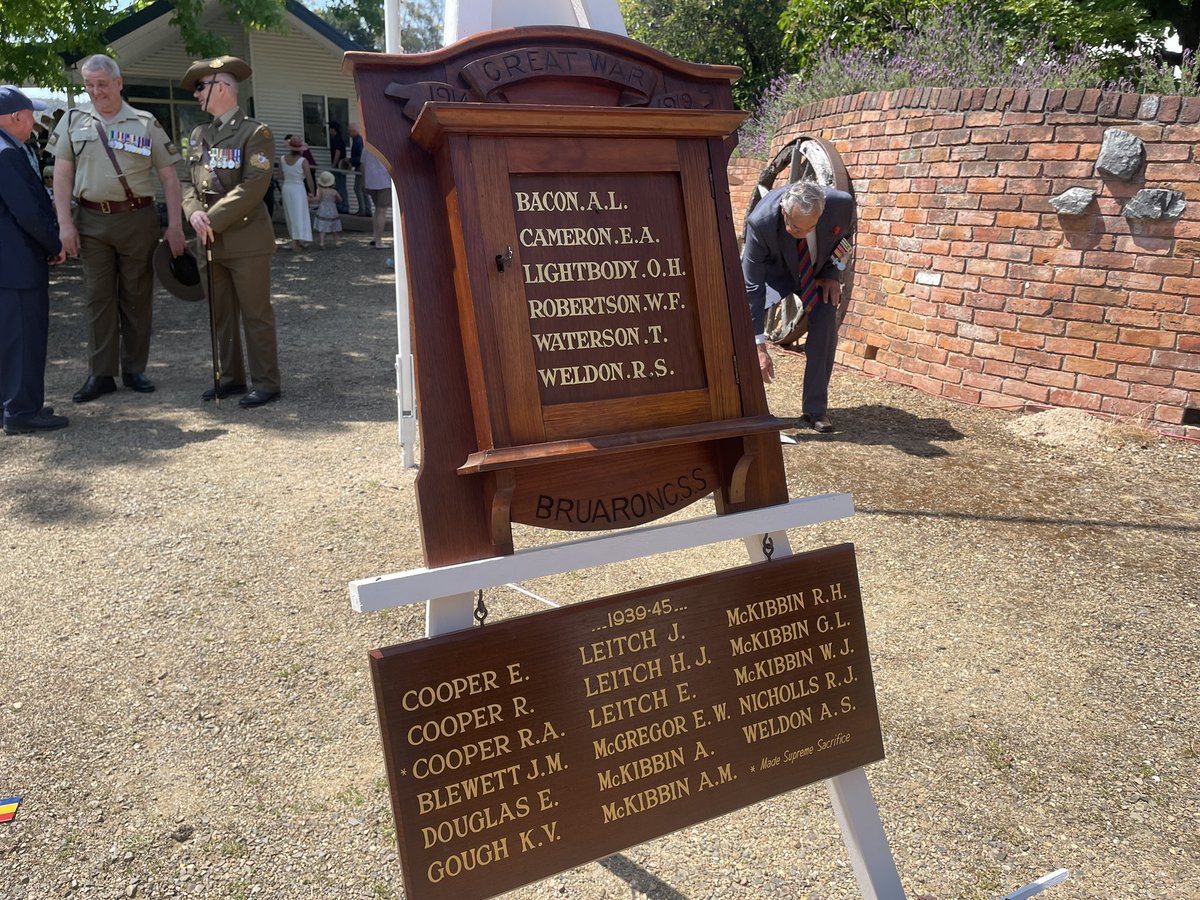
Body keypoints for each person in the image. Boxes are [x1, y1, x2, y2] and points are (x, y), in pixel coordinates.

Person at [50, 54, 186, 404]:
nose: (96, 92)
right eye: (89, 85)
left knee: (137, 295)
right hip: (91, 221)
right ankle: (101, 373)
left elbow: (169, 178)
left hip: (137, 219)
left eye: (103, 84)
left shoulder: (145, 123)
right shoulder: (72, 122)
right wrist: (65, 223)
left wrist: (174, 225)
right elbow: (62, 174)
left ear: (119, 83)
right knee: (98, 296)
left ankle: (134, 368)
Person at [181, 56, 281, 408]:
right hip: (208, 238)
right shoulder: (198, 135)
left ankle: (267, 382)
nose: (196, 95)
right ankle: (232, 378)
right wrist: (193, 213)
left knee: (255, 313)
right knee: (219, 313)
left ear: (221, 87)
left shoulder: (256, 133)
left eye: (200, 87)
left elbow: (254, 186)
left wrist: (212, 218)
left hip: (245, 237)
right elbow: (187, 182)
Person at [742, 180, 854, 434]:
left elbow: (845, 239)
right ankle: (745, 408)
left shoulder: (841, 205)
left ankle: (815, 410)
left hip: (816, 272)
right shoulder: (760, 222)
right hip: (775, 272)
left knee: (826, 320)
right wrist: (759, 347)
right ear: (783, 209)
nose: (800, 233)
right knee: (740, 321)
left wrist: (831, 274)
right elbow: (751, 289)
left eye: (809, 228)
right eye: (793, 227)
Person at [0, 86, 69, 435]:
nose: (35, 121)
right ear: (16, 117)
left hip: (7, 263)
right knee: (24, 337)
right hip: (16, 262)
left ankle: (11, 402)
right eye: (31, 115)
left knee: (9, 338)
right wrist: (53, 242)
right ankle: (23, 410)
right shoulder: (7, 153)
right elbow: (26, 210)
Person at [279, 135, 313, 251]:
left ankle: (296, 240)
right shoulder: (303, 161)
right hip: (298, 187)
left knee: (290, 214)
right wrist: (312, 191)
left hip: (287, 187)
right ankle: (297, 242)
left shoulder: (282, 159)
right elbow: (309, 178)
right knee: (299, 214)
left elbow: (280, 176)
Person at [362, 149, 391, 250]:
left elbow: (362, 164)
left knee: (377, 210)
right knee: (382, 211)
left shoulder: (366, 147)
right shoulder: (385, 145)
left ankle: (375, 238)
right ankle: (379, 241)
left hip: (370, 182)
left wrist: (364, 181)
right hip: (384, 182)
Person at [312, 171, 342, 249]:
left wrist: (309, 199)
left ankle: (322, 243)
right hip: (332, 210)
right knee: (334, 227)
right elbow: (340, 199)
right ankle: (336, 242)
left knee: (322, 227)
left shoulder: (320, 190)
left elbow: (318, 198)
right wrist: (335, 201)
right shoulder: (334, 191)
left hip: (322, 209)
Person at [347, 124, 369, 216]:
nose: (349, 134)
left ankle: (363, 210)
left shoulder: (358, 141)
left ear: (354, 131)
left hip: (361, 167)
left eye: (349, 132)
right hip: (362, 166)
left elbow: (361, 157)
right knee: (363, 188)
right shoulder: (358, 140)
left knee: (357, 188)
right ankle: (367, 209)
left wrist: (350, 160)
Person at [327, 121, 349, 213]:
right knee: (338, 185)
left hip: (339, 167)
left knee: (340, 186)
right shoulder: (336, 138)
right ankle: (341, 206)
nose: (329, 130)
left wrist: (334, 165)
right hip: (339, 166)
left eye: (330, 129)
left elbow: (338, 152)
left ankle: (343, 207)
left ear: (333, 129)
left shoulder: (337, 139)